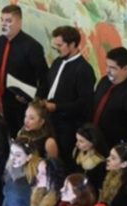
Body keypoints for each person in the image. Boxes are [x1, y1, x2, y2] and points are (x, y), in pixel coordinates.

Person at [38, 26, 95, 165]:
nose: (56, 49)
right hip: (51, 121)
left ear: (73, 44)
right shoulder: (58, 61)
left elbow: (84, 104)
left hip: (68, 128)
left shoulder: (84, 70)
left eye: (60, 45)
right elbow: (47, 84)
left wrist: (57, 107)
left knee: (64, 162)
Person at [0, 4, 48, 136]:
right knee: (8, 131)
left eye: (8, 21)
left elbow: (44, 76)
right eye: (2, 20)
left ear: (19, 22)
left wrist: (34, 99)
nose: (4, 24)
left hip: (23, 102)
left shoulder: (32, 47)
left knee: (23, 134)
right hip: (4, 96)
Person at [92, 47, 127, 149]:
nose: (107, 70)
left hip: (114, 147)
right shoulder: (104, 81)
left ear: (125, 69)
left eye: (112, 68)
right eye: (107, 66)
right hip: (95, 140)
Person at [73, 124, 107, 191]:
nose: (77, 144)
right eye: (77, 140)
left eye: (81, 141)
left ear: (92, 142)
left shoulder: (100, 162)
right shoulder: (77, 151)